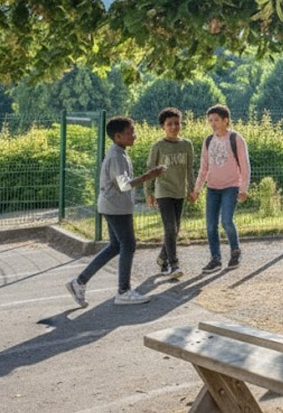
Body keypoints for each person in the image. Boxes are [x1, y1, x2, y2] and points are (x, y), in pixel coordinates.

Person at [66, 116, 164, 307]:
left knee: (115, 246)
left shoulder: (119, 152)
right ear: (118, 136)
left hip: (112, 206)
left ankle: (79, 282)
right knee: (128, 245)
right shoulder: (117, 156)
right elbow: (123, 185)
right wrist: (149, 176)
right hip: (116, 208)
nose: (134, 136)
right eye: (130, 132)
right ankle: (124, 291)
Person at [189, 104, 250, 272]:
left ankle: (235, 251)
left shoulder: (235, 138)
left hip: (231, 187)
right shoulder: (208, 141)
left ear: (225, 120)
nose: (213, 123)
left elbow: (245, 165)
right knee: (210, 225)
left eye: (216, 120)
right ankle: (215, 259)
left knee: (226, 221)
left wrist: (243, 188)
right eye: (210, 120)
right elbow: (204, 168)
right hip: (213, 188)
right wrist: (197, 190)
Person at [144, 107, 195, 281]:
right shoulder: (158, 146)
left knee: (175, 229)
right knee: (170, 228)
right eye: (169, 124)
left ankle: (162, 257)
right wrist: (148, 192)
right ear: (163, 127)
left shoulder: (187, 145)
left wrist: (192, 190)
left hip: (179, 191)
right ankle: (174, 264)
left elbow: (190, 169)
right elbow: (150, 170)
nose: (174, 127)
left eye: (177, 123)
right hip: (163, 191)